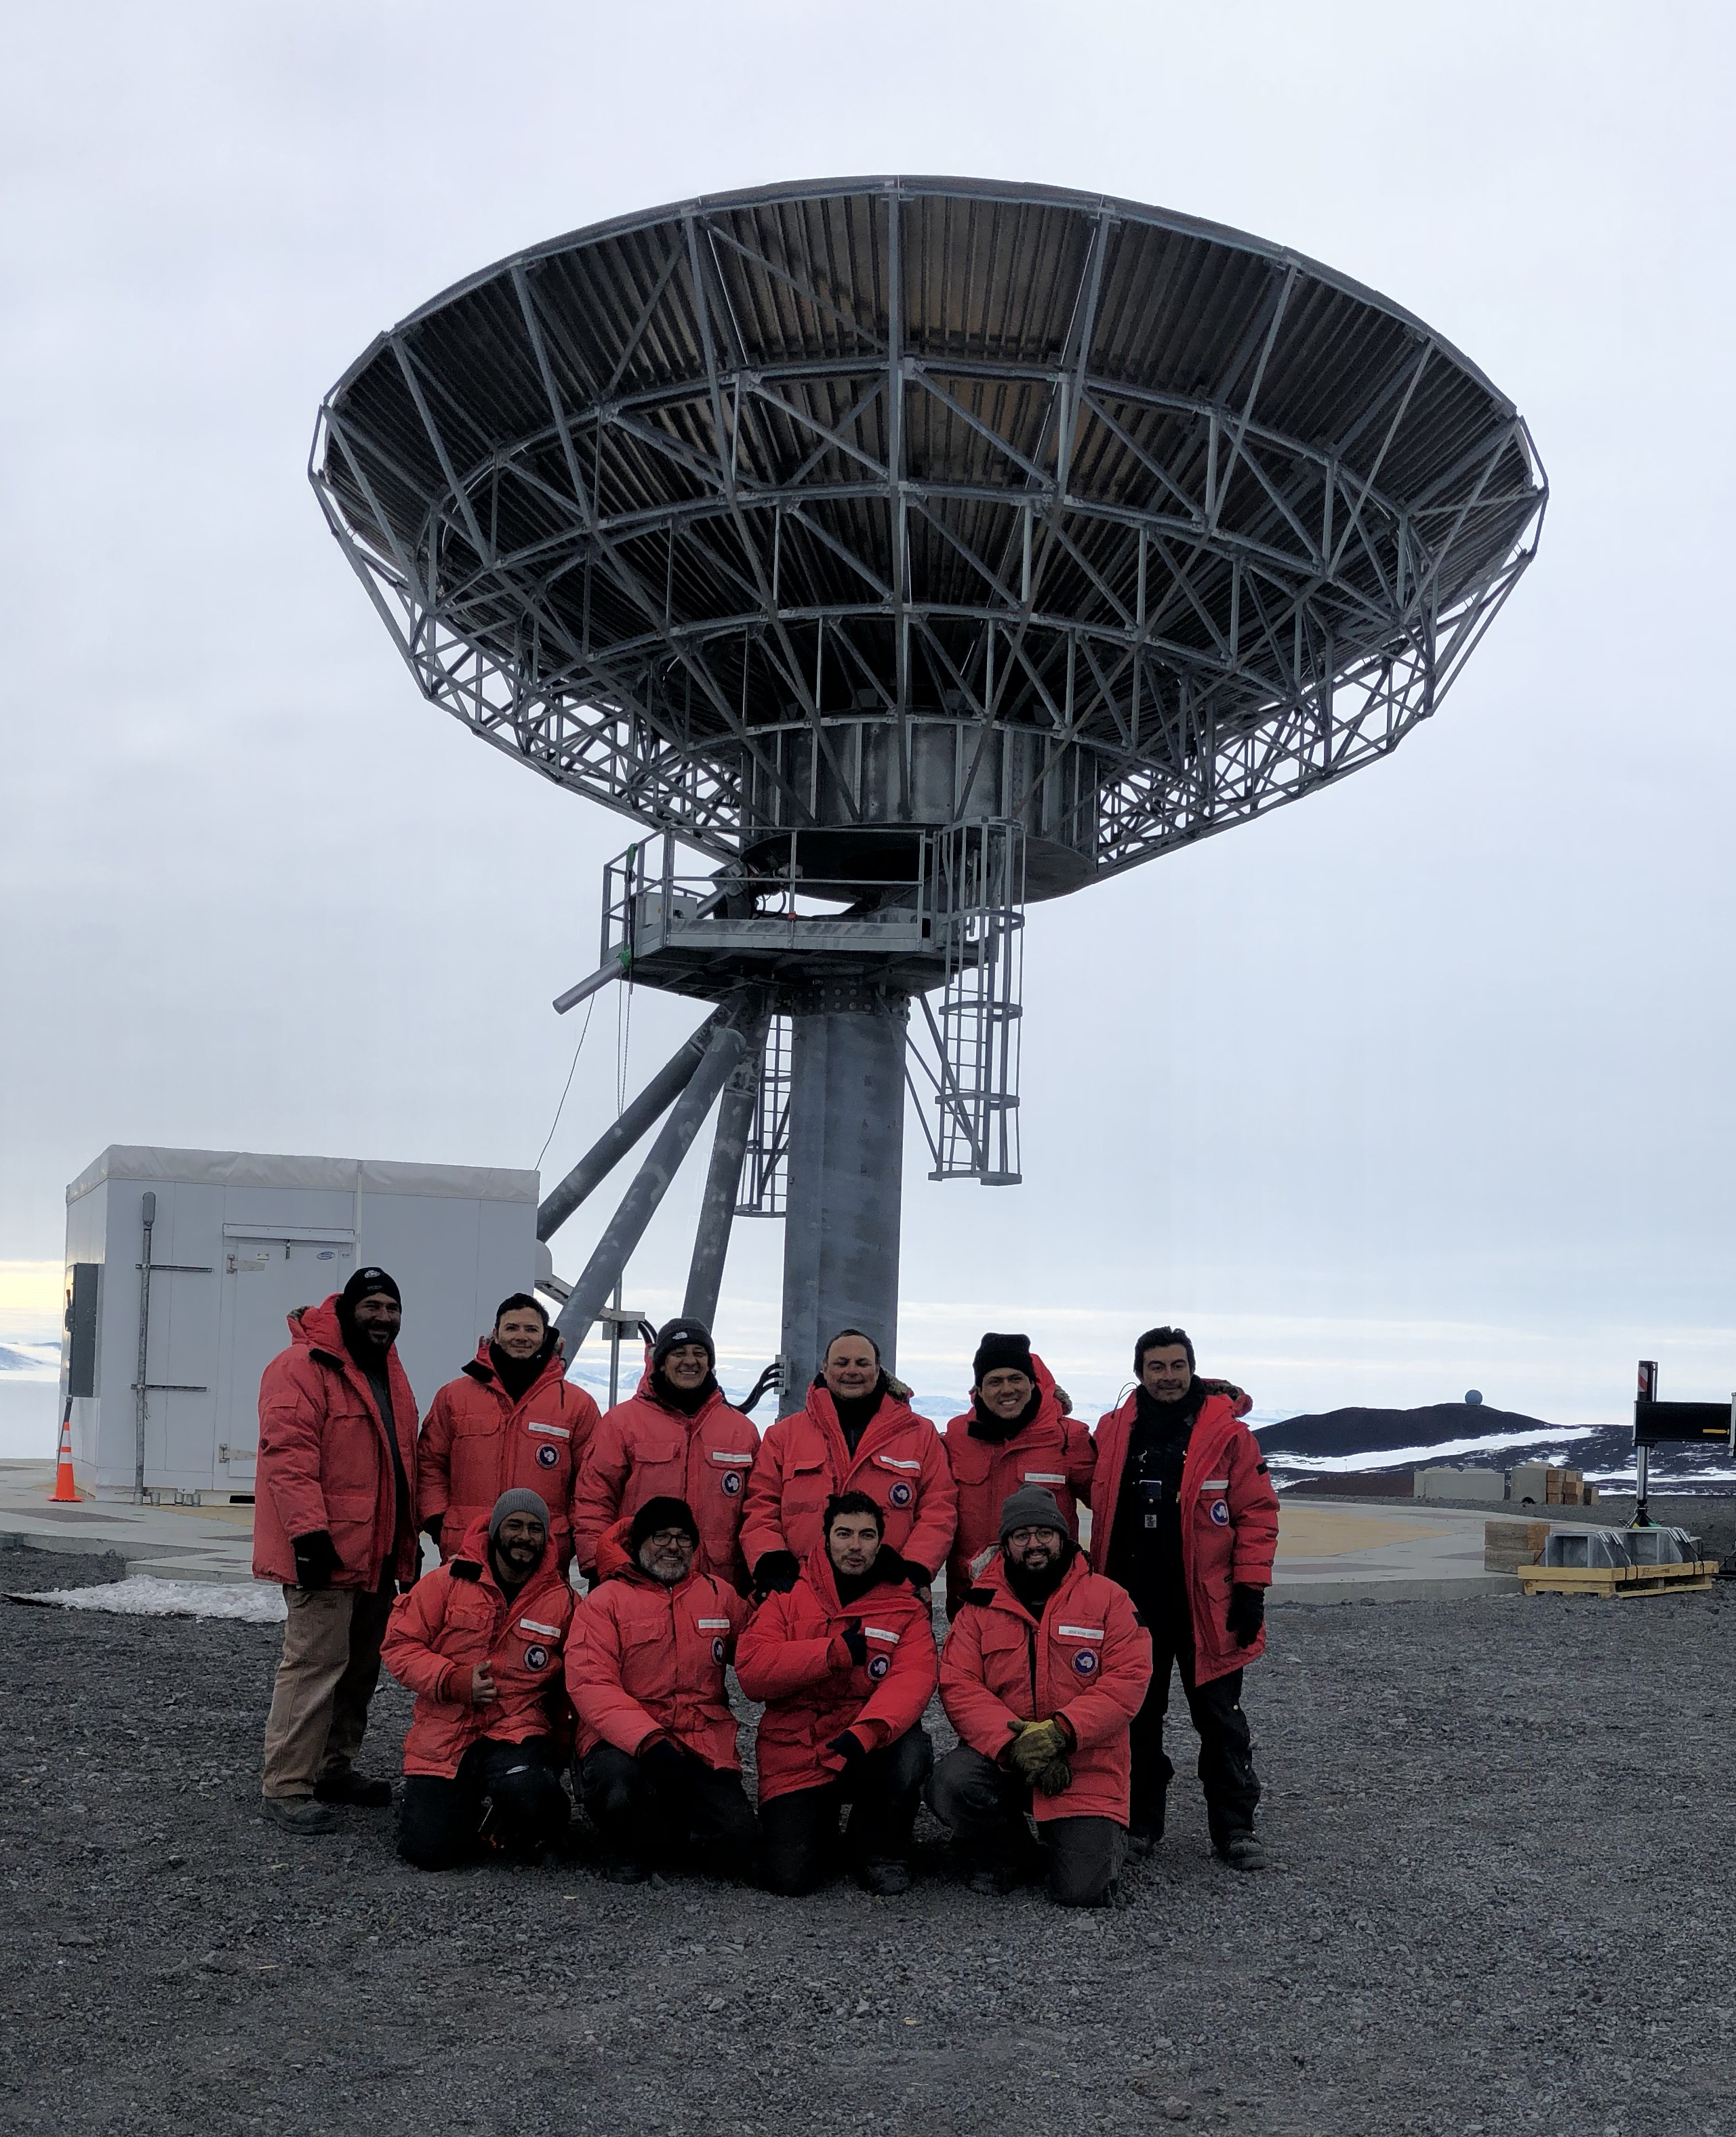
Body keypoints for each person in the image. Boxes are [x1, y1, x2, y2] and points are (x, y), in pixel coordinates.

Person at [1091, 1325, 1278, 1870]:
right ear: (1139, 1373)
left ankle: (1234, 1828)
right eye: (1156, 1367)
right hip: (1131, 1606)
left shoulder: (1229, 1437)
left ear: (1192, 1369)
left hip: (1206, 1606)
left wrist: (1249, 1589)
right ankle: (1139, 1824)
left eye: (1176, 1366)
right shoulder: (1112, 1432)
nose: (1167, 1377)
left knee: (1220, 1722)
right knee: (1137, 1719)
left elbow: (1257, 1514)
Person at [254, 1266, 421, 1833]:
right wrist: (308, 1536)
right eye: (372, 1306)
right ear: (347, 1309)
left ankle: (332, 1768)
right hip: (325, 1551)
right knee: (314, 1666)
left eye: (391, 1308)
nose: (383, 1318)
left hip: (374, 1553)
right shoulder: (300, 1368)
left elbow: (401, 1469)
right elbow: (288, 1455)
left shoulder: (389, 1375)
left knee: (359, 1669)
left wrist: (407, 1544)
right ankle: (287, 1786)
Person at [929, 1485, 1150, 1908]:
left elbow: (1129, 1679)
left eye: (1045, 1533)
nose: (1034, 1544)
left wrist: (1061, 1733)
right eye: (1021, 1535)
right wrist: (1014, 1743)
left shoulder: (1109, 1599)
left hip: (1085, 1760)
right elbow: (958, 1684)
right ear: (1006, 1544)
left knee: (1081, 1891)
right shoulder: (979, 1605)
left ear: (1064, 1538)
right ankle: (1011, 1854)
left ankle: (1098, 1841)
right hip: (1005, 1756)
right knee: (951, 1784)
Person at [735, 1490, 937, 1897]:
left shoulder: (905, 1606)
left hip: (865, 1745)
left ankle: (879, 1849)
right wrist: (831, 1654)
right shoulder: (788, 1594)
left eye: (867, 1535)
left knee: (910, 1750)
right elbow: (752, 1673)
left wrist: (868, 1731)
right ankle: (818, 1821)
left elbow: (913, 1680)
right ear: (826, 1537)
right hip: (798, 1749)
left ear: (881, 1541)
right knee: (788, 1880)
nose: (855, 1546)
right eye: (844, 1533)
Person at [565, 1496, 758, 1883]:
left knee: (743, 1845)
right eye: (661, 1536)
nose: (673, 1546)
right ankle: (622, 1844)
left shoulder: (719, 1595)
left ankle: (667, 1833)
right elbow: (591, 1683)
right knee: (617, 1783)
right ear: (639, 1543)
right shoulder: (605, 1601)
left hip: (699, 1741)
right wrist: (648, 1741)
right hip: (623, 1743)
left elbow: (760, 1650)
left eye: (684, 1538)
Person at [382, 1487, 573, 1869]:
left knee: (534, 1802)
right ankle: (461, 1805)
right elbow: (399, 1645)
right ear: (495, 1530)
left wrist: (563, 1750)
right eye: (515, 1525)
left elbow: (575, 1682)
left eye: (536, 1529)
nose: (525, 1537)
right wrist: (452, 1680)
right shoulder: (446, 1581)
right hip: (447, 1731)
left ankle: (521, 1808)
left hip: (517, 1731)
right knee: (429, 1854)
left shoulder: (562, 1599)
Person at [741, 1329, 956, 1603]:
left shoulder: (920, 1435)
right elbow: (761, 1506)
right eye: (842, 1363)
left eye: (862, 1363)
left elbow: (939, 1508)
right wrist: (771, 1563)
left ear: (878, 1370)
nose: (852, 1371)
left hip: (890, 1592)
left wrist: (915, 1568)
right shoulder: (783, 1436)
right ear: (824, 1368)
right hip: (801, 1590)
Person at [416, 1293, 600, 1574]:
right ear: (496, 1334)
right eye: (512, 1328)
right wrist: (438, 1521)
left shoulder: (576, 1405)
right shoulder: (454, 1396)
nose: (521, 1336)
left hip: (543, 1551)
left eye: (531, 1329)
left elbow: (591, 1481)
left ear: (545, 1335)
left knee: (537, 1620)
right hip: (465, 1546)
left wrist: (572, 1533)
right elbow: (430, 1463)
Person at [571, 1318, 760, 1591]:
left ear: (710, 1362)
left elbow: (757, 1511)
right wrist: (597, 1564)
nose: (690, 1361)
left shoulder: (742, 1431)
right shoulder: (622, 1423)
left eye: (699, 1353)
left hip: (719, 1588)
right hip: (636, 1581)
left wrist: (759, 1571)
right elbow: (594, 1500)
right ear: (660, 1362)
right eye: (679, 1353)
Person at [941, 1332, 1095, 1615]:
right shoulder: (956, 1437)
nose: (1007, 1389)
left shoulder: (1068, 1437)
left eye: (1016, 1379)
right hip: (974, 1596)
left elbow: (1109, 1506)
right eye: (995, 1381)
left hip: (1052, 1594)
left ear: (1031, 1382)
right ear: (979, 1388)